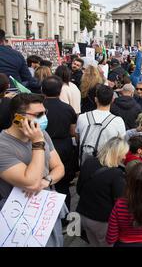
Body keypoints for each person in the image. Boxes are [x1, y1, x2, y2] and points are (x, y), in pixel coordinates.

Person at [0, 93, 66, 247]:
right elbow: (31, 182)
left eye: (45, 113)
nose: (43, 118)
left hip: (46, 211)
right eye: (38, 115)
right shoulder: (3, 146)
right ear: (18, 118)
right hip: (18, 219)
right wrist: (37, 143)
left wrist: (46, 181)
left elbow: (59, 167)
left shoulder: (41, 134)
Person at [76, 137, 129, 247]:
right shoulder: (117, 174)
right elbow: (120, 204)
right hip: (102, 221)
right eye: (123, 154)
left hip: (83, 215)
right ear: (116, 154)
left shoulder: (88, 162)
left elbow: (78, 189)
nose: (124, 157)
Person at [42, 76, 78, 211]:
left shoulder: (38, 108)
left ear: (42, 90)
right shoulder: (68, 109)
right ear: (60, 90)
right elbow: (73, 131)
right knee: (63, 185)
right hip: (64, 147)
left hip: (43, 147)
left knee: (43, 182)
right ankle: (65, 216)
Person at [76, 85, 126, 165]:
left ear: (96, 99)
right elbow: (121, 145)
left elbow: (77, 139)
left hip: (85, 163)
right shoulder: (118, 121)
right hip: (106, 165)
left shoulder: (82, 117)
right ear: (112, 100)